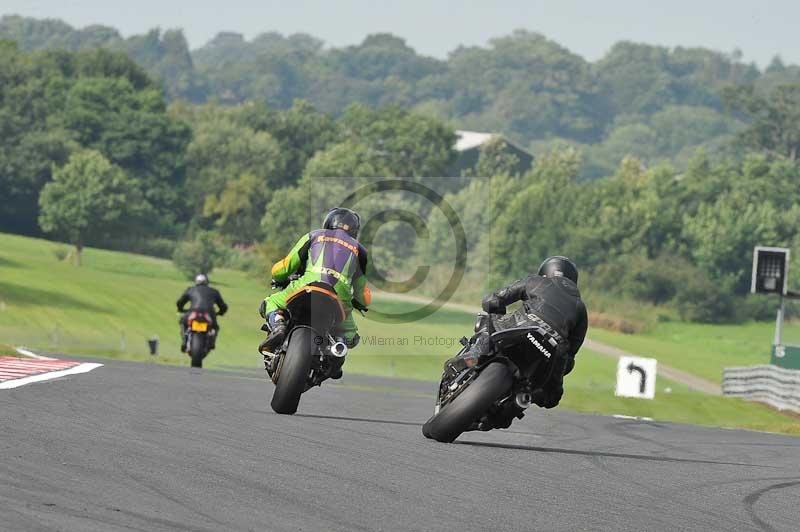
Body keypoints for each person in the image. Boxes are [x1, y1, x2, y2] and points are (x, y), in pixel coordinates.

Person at [445, 256, 587, 410]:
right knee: (552, 397)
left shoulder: (536, 281)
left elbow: (493, 300)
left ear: (545, 272)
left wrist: (496, 309)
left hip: (522, 326)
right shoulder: (581, 308)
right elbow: (570, 356)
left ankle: (473, 355)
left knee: (489, 320)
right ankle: (522, 399)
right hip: (554, 350)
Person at [259, 207, 371, 376]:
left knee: (271, 302)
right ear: (355, 230)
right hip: (339, 297)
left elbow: (285, 266)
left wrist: (277, 276)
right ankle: (337, 351)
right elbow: (362, 293)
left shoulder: (314, 235)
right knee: (350, 334)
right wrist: (361, 303)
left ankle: (278, 325)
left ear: (329, 222)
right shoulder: (361, 252)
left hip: (306, 286)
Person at [177, 274, 228, 352]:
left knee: (182, 323)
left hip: (193, 312)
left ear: (196, 282)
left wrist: (180, 309)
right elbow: (223, 306)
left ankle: (184, 342)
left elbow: (180, 302)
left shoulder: (190, 289)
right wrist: (221, 312)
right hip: (209, 314)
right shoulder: (214, 291)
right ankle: (212, 342)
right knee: (215, 327)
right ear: (207, 282)